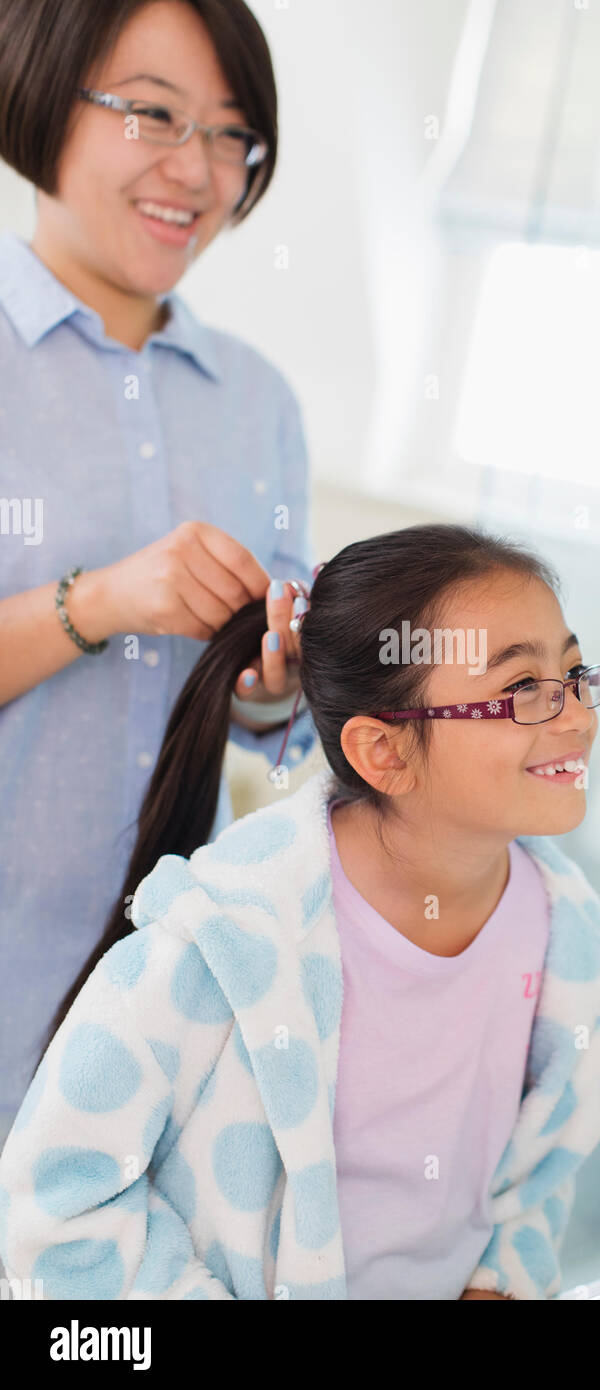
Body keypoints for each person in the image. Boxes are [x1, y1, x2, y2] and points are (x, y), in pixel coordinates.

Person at [0, 523, 600, 1300]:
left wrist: (496, 1280)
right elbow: (55, 1206)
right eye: (524, 691)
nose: (575, 715)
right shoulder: (220, 943)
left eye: (574, 674)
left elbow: (537, 1177)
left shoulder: (568, 943)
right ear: (385, 753)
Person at [0, 0, 318, 1147]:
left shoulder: (259, 401)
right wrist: (100, 602)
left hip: (156, 1025)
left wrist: (269, 679)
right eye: (153, 114)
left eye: (233, 136)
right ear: (40, 98)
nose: (198, 168)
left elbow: (266, 713)